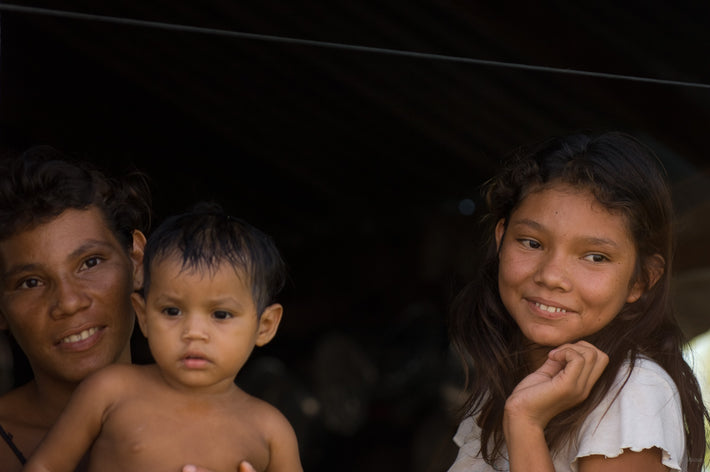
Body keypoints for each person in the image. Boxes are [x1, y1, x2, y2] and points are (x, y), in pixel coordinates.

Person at [446, 132, 708, 472]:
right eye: (531, 242)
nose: (551, 276)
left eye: (596, 257)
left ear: (641, 279)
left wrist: (524, 423)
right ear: (501, 239)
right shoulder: (511, 374)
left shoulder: (631, 395)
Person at [0, 146, 246, 472]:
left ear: (137, 261)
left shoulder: (233, 433)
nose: (70, 302)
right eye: (31, 282)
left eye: (90, 262)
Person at [23, 202, 303, 472]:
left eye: (220, 315)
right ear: (143, 316)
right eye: (172, 311)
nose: (193, 332)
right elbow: (45, 466)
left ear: (265, 326)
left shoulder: (271, 431)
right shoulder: (110, 391)